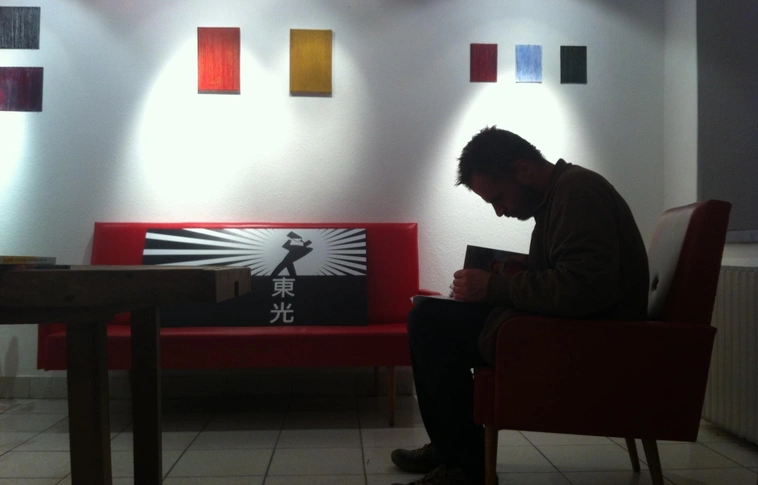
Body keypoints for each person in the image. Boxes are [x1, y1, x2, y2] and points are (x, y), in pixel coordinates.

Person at [390, 127, 649, 485]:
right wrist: (497, 278)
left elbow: (585, 289)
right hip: (574, 329)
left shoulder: (577, 193)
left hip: (589, 342)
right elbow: (573, 277)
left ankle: (463, 464)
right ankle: (452, 448)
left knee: (430, 323)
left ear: (523, 169)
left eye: (499, 198)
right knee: (432, 315)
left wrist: (493, 285)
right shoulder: (562, 195)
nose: (500, 212)